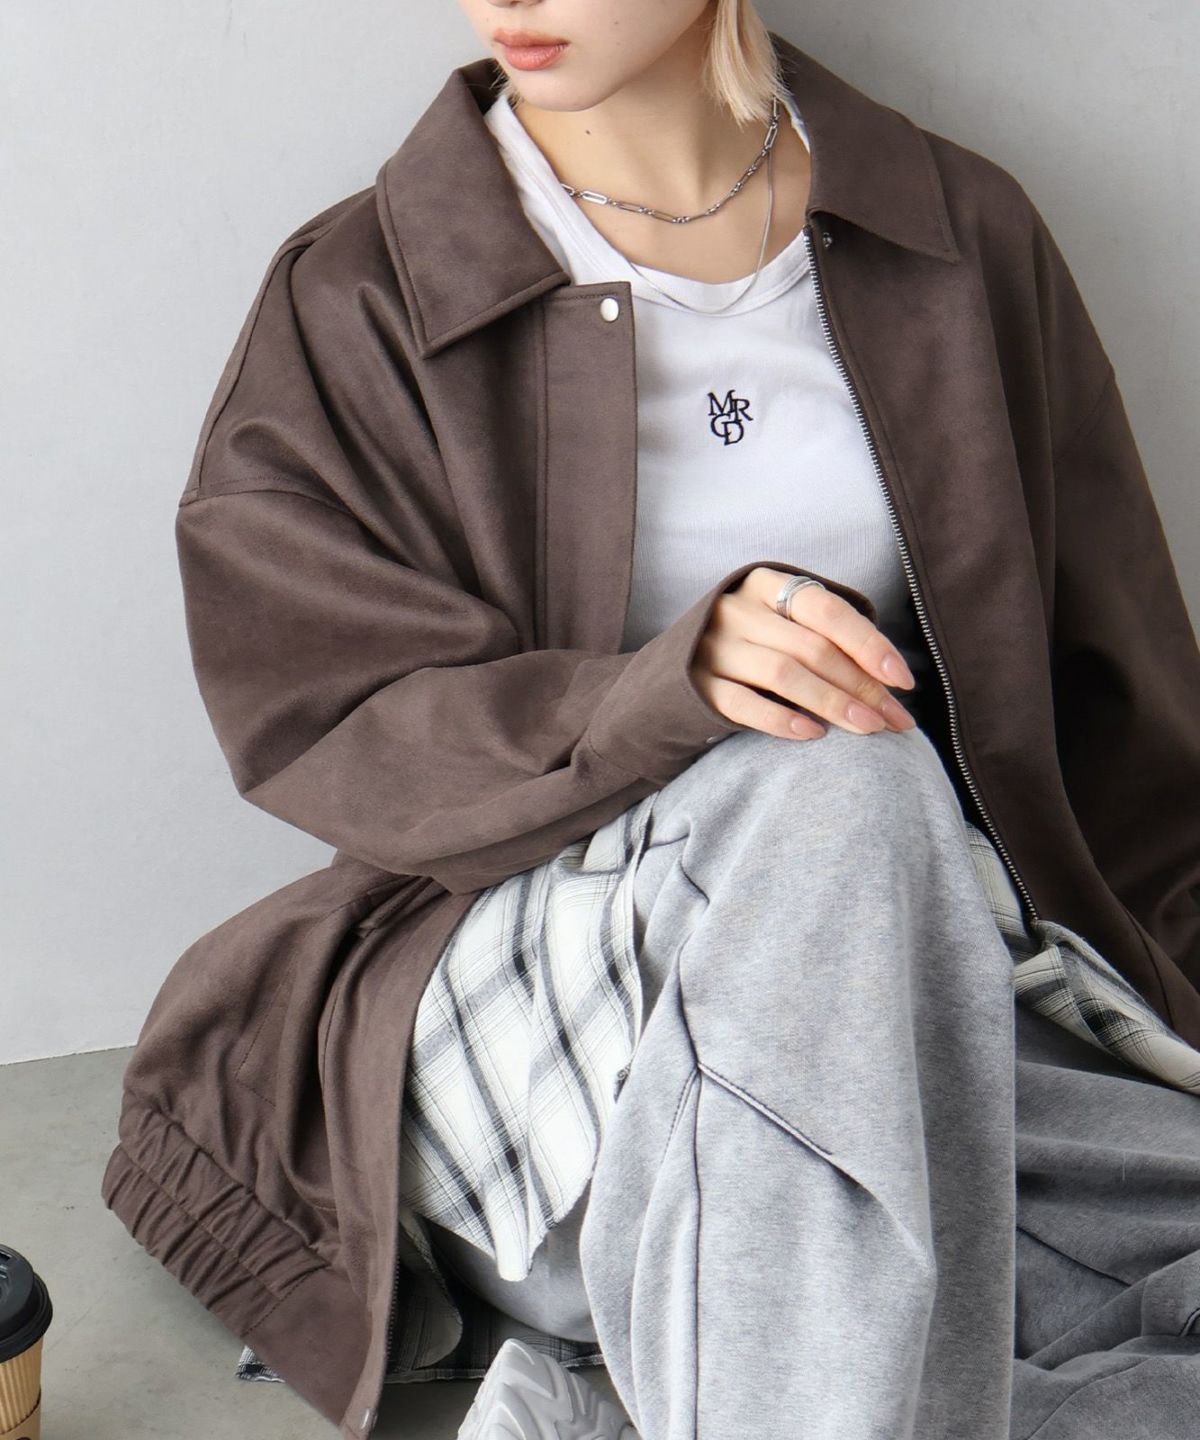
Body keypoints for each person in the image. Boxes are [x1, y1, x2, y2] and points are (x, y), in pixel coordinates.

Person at [104, 2, 1200, 1438]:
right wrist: (662, 692)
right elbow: (320, 704)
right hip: (531, 1013)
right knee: (841, 765)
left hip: (885, 979)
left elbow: (1121, 709)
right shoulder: (368, 286)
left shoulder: (955, 236)